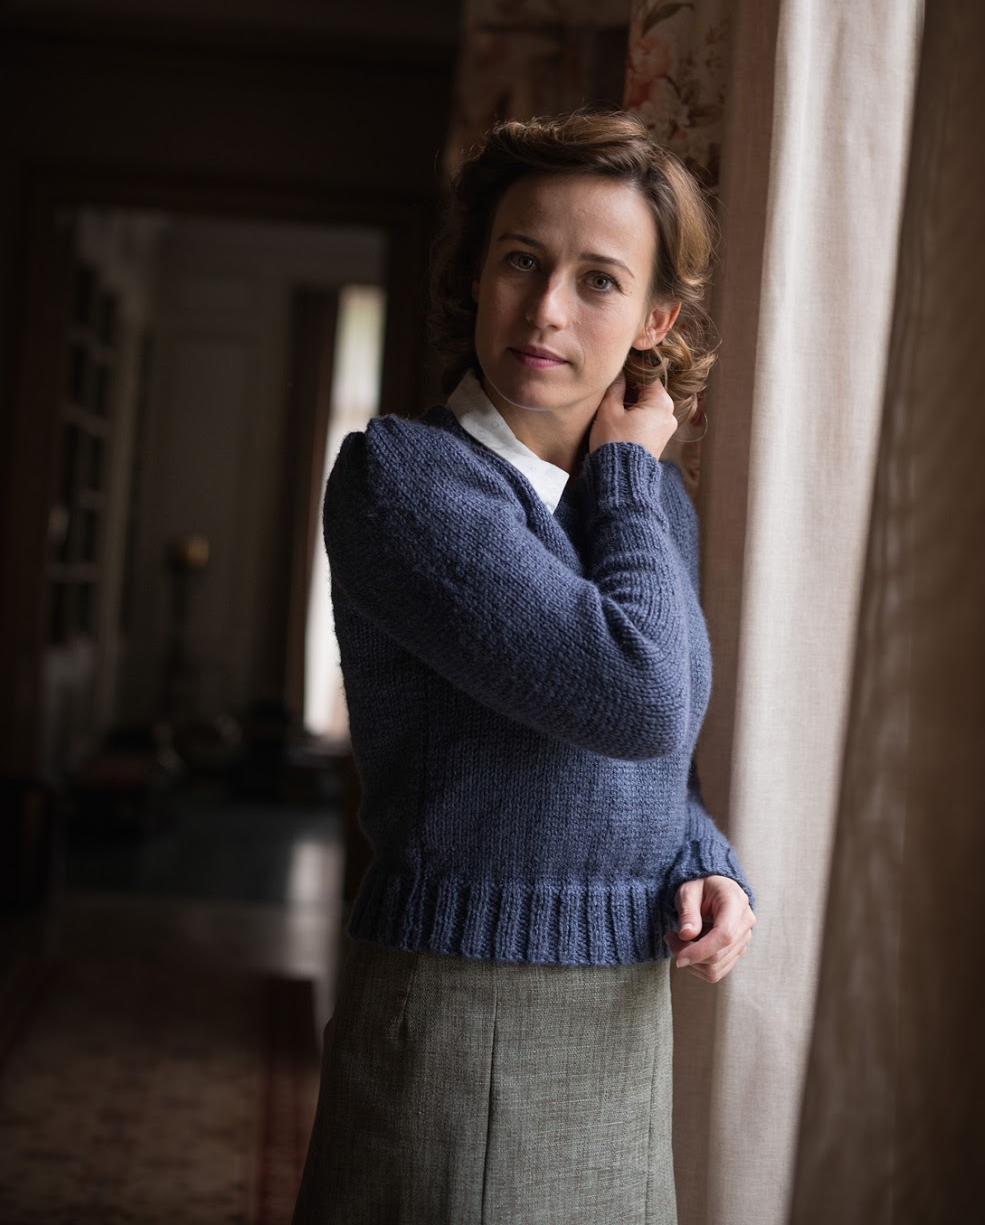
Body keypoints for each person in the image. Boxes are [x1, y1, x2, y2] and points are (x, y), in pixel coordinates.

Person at [292, 108, 755, 1225]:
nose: (547, 308)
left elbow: (658, 749)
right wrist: (631, 476)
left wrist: (705, 858)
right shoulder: (404, 481)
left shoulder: (642, 498)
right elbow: (637, 698)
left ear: (653, 320)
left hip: (624, 1015)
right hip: (465, 1012)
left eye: (599, 281)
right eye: (520, 260)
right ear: (477, 274)